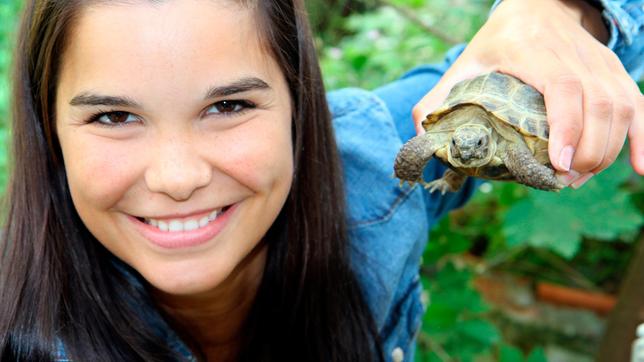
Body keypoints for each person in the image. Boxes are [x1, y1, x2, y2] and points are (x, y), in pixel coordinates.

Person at [0, 0, 640, 361]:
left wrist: (559, 13)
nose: (177, 177)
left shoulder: (374, 166)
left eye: (228, 107)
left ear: (301, 105)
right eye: (115, 116)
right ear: (47, 129)